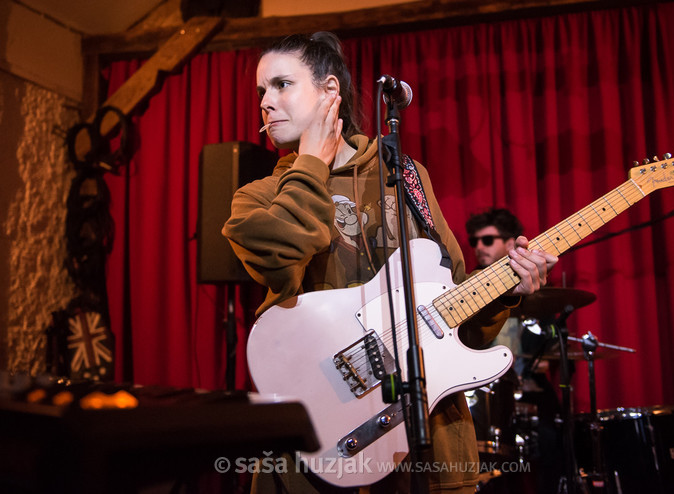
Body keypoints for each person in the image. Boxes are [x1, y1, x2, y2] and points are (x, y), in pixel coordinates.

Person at [222, 32, 558, 494]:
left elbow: (458, 311)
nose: (266, 102)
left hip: (428, 444)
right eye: (262, 91)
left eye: (281, 84)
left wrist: (505, 294)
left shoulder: (407, 177)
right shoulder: (257, 197)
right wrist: (313, 164)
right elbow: (279, 255)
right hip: (317, 445)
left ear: (329, 91)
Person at [465, 208, 562, 494]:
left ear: (511, 244)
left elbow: (552, 346)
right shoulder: (466, 290)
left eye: (487, 240)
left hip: (523, 393)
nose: (479, 247)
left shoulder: (537, 293)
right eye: (474, 242)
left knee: (552, 439)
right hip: (476, 394)